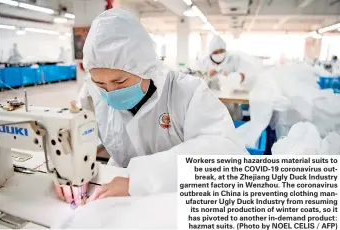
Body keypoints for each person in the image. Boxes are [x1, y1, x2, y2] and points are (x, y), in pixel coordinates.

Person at [54, 8, 247, 205]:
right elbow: (71, 136)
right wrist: (68, 169)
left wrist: (139, 180)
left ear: (143, 67)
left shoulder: (187, 93)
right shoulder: (91, 93)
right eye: (101, 84)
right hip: (119, 193)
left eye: (119, 81)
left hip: (179, 198)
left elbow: (224, 152)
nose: (110, 91)